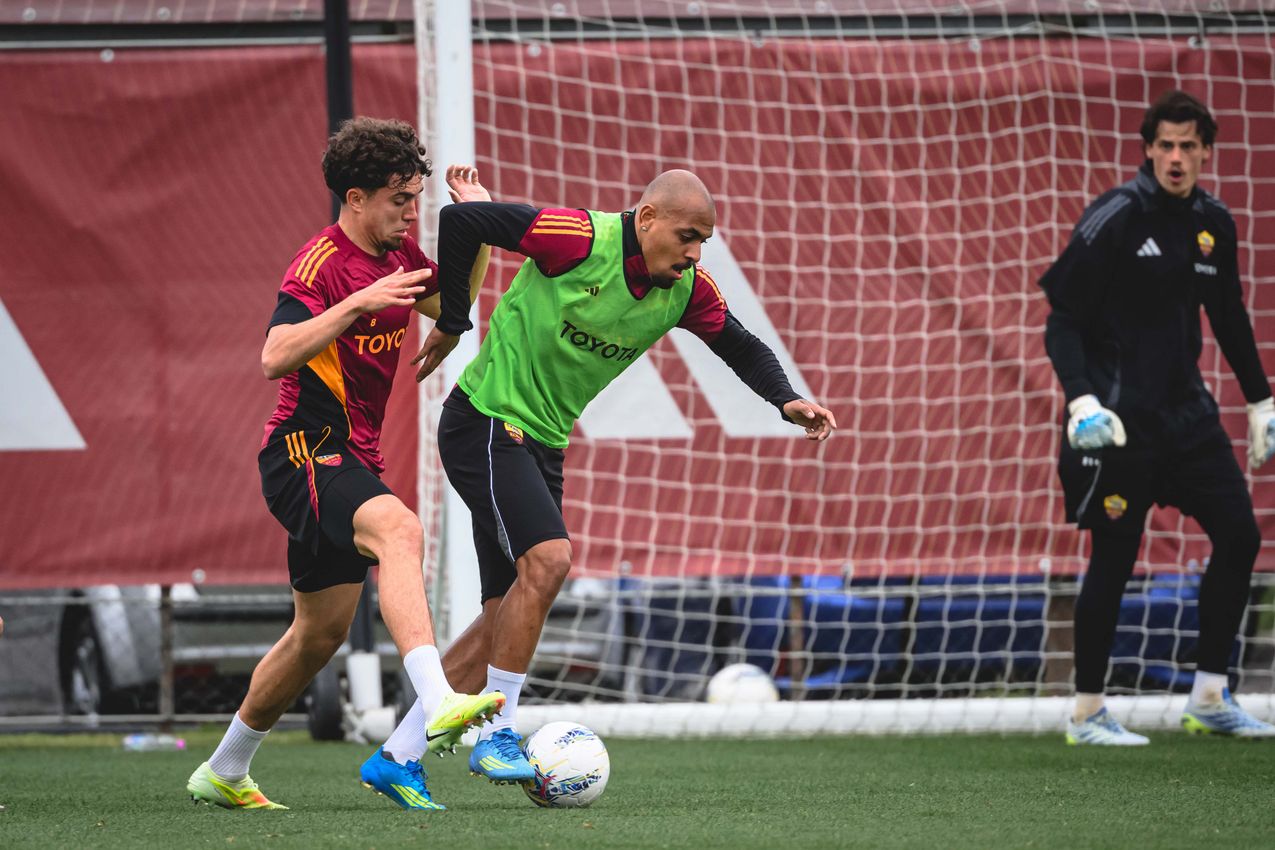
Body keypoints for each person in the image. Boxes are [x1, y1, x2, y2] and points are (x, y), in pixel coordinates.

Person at [389, 169, 836, 783]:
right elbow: (464, 222)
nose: (694, 253)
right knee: (549, 562)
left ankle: (397, 756)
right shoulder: (576, 237)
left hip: (541, 442)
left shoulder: (685, 290)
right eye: (686, 236)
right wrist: (454, 321)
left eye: (703, 240)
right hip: (486, 422)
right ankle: (497, 734)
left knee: (506, 613)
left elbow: (741, 345)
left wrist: (785, 399)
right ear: (646, 219)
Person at [186, 118, 504, 812]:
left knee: (317, 635)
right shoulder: (320, 263)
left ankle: (223, 768)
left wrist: (472, 228)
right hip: (302, 448)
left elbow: (450, 306)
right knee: (399, 530)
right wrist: (355, 304)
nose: (410, 212)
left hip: (348, 455)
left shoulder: (396, 253)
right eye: (399, 199)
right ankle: (438, 697)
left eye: (417, 198)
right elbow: (274, 356)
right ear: (355, 198)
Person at [1040, 90, 1275, 745]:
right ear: (1147, 149)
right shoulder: (1114, 216)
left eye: (1187, 146)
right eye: (1164, 145)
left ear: (1205, 151)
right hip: (1116, 424)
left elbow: (1226, 316)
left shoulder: (1213, 224)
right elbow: (1061, 323)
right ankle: (1087, 712)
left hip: (1187, 420)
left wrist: (1260, 400)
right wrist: (1080, 398)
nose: (1175, 158)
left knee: (1238, 536)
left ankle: (1208, 697)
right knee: (1114, 558)